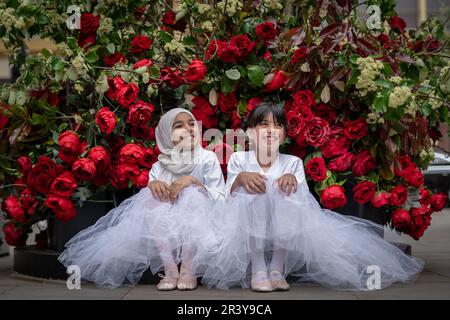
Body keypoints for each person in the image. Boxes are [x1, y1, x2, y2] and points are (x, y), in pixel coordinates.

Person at [201, 102, 424, 292]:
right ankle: (259, 267)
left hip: (283, 225)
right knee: (256, 189)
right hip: (245, 224)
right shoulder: (240, 159)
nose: (271, 130)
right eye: (263, 124)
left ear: (285, 135)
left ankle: (277, 268)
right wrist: (241, 178)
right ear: (250, 132)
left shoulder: (292, 163)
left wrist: (291, 180)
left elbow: (303, 204)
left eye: (277, 125)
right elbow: (229, 196)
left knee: (286, 190)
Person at [59, 108, 225, 290]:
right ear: (166, 135)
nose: (188, 128)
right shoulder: (159, 166)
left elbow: (220, 196)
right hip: (167, 224)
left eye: (192, 123)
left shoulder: (207, 158)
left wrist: (193, 182)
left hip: (203, 222)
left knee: (192, 195)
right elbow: (154, 199)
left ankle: (188, 269)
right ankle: (170, 269)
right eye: (179, 126)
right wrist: (153, 185)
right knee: (149, 198)